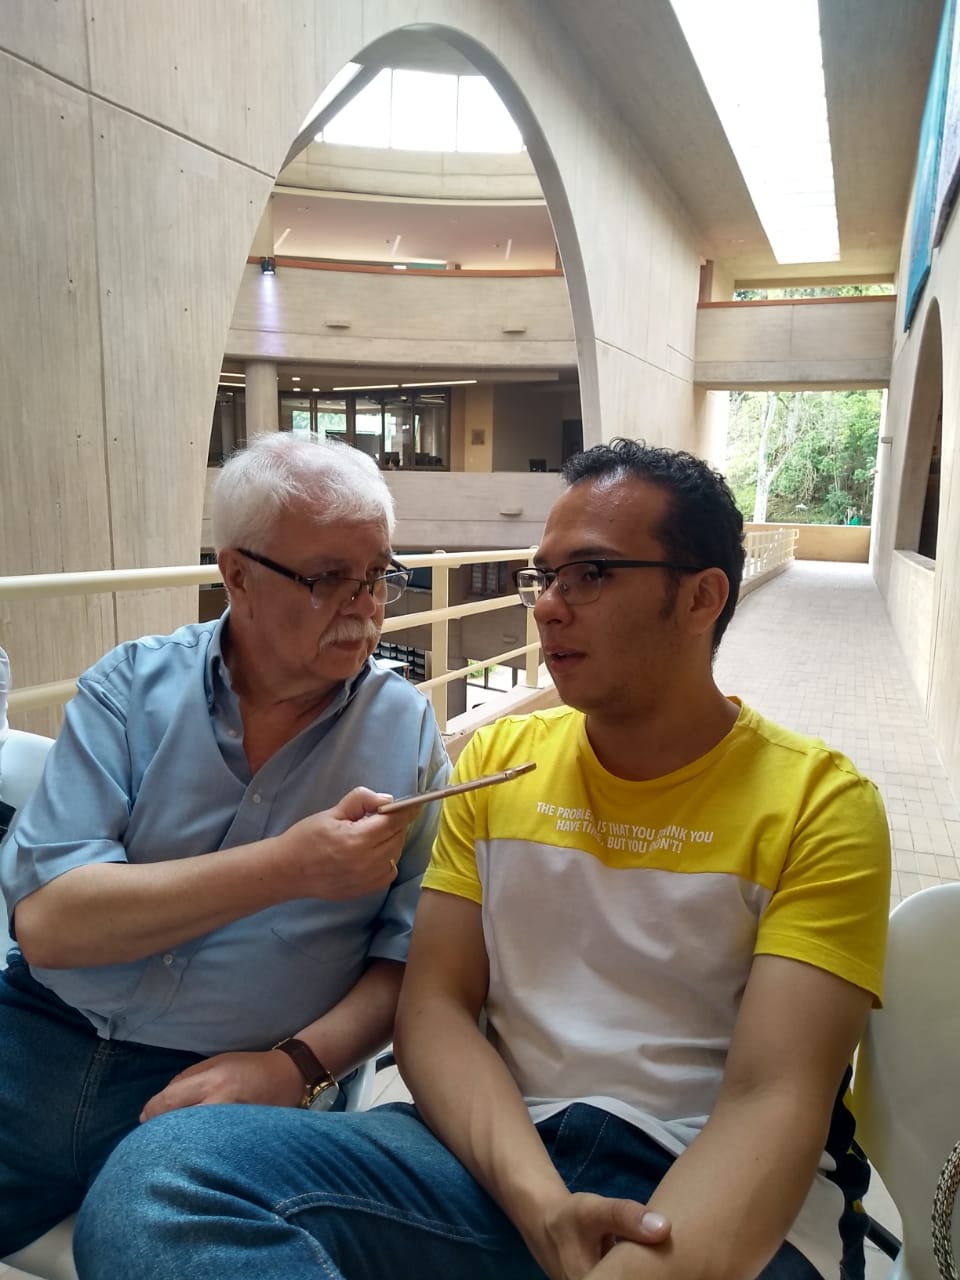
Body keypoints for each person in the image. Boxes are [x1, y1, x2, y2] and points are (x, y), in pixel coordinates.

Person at [74, 439, 890, 1280]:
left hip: (709, 1193)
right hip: (488, 1161)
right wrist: (541, 1207)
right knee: (162, 1179)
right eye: (546, 577)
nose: (549, 607)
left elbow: (775, 1097)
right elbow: (433, 1009)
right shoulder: (502, 763)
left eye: (591, 574)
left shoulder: (820, 805)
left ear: (701, 597)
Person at [0, 433, 449, 1255]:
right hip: (39, 1036)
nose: (365, 606)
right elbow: (51, 924)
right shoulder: (131, 687)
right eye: (328, 579)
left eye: (379, 574)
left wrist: (296, 1068)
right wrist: (289, 867)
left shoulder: (405, 731)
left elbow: (411, 963)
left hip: (235, 1081)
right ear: (236, 573)